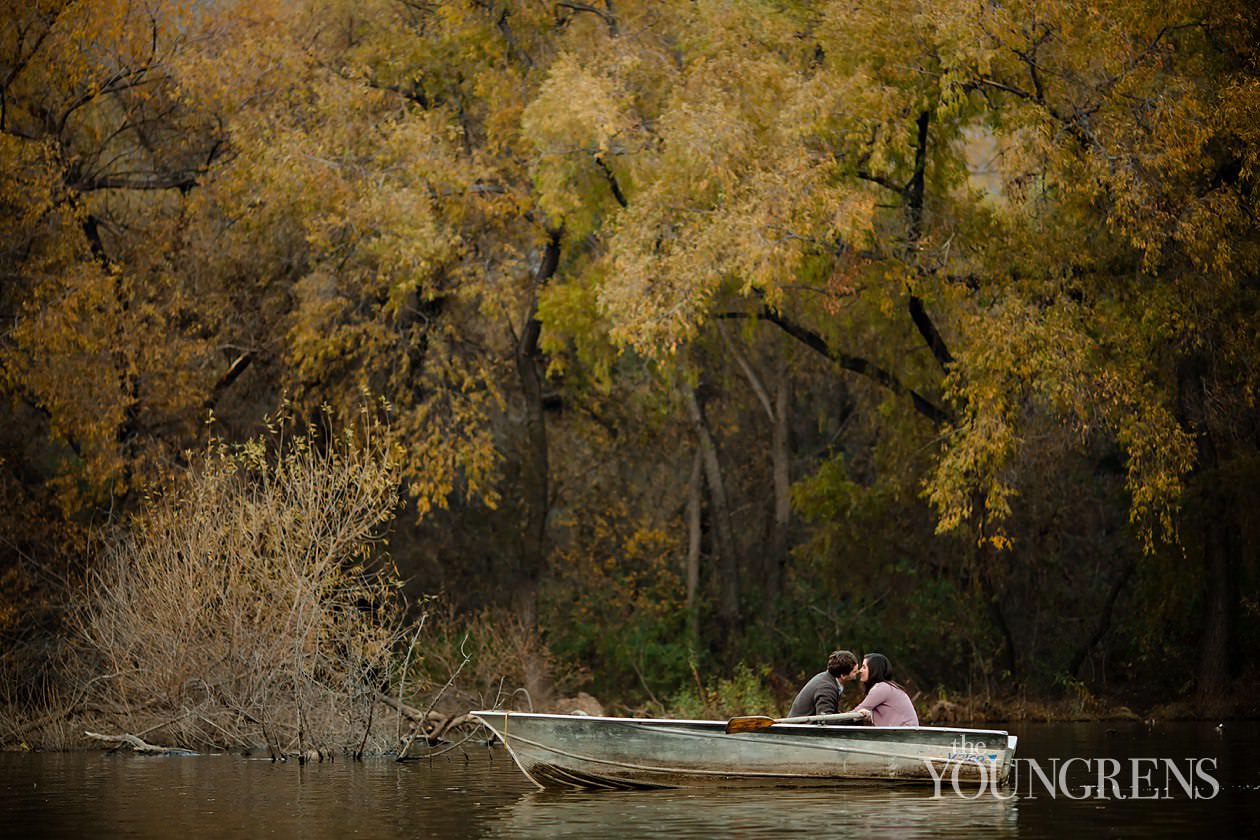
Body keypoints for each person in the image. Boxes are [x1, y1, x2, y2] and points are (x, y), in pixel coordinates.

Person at [787, 650, 859, 719]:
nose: (858, 672)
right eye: (854, 671)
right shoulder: (826, 688)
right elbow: (826, 720)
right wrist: (853, 719)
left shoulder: (826, 679)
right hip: (799, 730)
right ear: (843, 675)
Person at [853, 652, 919, 726]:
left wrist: (838, 719)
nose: (860, 670)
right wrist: (869, 716)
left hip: (903, 735)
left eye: (864, 667)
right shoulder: (887, 686)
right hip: (903, 733)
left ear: (874, 670)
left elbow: (855, 713)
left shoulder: (882, 688)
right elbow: (888, 715)